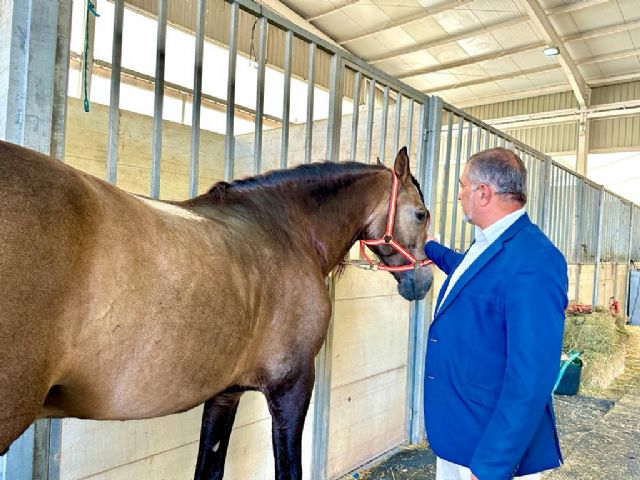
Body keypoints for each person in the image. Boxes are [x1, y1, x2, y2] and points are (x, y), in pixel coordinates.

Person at [423, 148, 568, 480]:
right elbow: (471, 275)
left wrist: (492, 466)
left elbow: (531, 378)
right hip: (460, 436)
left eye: (462, 186)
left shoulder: (536, 261)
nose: (458, 195)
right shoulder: (492, 243)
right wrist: (431, 248)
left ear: (483, 193)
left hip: (488, 451)